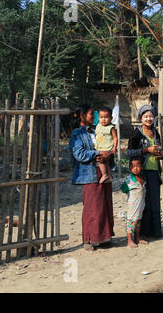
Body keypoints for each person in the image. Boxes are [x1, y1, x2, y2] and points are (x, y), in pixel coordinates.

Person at [69, 105, 114, 251]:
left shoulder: (98, 130)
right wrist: (97, 153)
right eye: (90, 114)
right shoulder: (77, 134)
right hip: (89, 173)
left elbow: (109, 145)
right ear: (81, 115)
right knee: (91, 206)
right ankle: (88, 239)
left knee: (104, 205)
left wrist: (108, 154)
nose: (93, 117)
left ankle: (104, 238)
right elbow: (80, 154)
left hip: (103, 171)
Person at [127, 105, 163, 243]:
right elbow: (129, 152)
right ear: (140, 118)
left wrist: (161, 156)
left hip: (154, 171)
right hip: (141, 173)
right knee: (143, 204)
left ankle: (156, 231)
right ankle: (142, 234)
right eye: (146, 116)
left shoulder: (156, 132)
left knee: (154, 202)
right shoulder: (136, 133)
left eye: (151, 116)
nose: (149, 119)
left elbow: (159, 149)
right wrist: (146, 149)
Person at [120, 156, 148, 248]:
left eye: (138, 166)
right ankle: (129, 240)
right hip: (132, 205)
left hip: (140, 205)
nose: (135, 168)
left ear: (142, 167)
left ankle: (137, 238)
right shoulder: (129, 180)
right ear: (130, 168)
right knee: (131, 221)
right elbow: (123, 189)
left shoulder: (142, 178)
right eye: (133, 166)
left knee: (138, 221)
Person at [95, 107, 117, 184]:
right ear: (98, 118)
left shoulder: (111, 127)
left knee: (100, 160)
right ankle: (110, 177)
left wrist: (114, 147)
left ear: (111, 118)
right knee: (106, 163)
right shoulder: (98, 125)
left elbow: (115, 138)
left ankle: (104, 175)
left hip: (107, 148)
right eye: (101, 117)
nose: (103, 119)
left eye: (106, 117)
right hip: (100, 147)